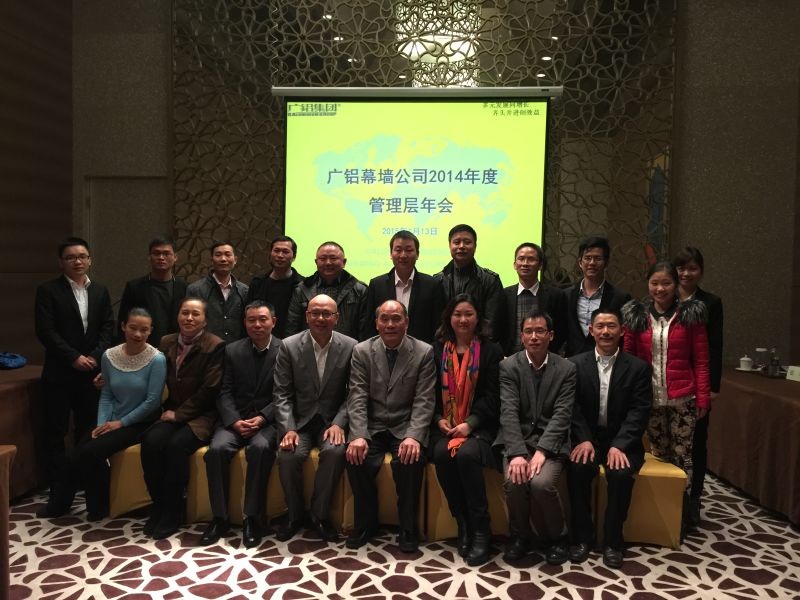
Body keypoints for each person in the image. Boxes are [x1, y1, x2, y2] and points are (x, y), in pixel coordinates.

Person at [40, 308, 166, 520]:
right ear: (123, 326)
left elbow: (152, 402)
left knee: (90, 452)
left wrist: (120, 423)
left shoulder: (157, 359)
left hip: (140, 422)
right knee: (75, 453)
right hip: (111, 418)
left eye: (144, 330)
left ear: (150, 331)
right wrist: (102, 424)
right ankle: (66, 504)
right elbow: (107, 394)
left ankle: (94, 506)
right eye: (133, 328)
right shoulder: (109, 356)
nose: (138, 334)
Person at [622, 261, 710, 533]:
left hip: (683, 399)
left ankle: (682, 512)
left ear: (676, 284)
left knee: (683, 456)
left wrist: (703, 398)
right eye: (655, 283)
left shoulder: (690, 315)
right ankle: (662, 511)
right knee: (659, 456)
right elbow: (629, 359)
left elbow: (702, 360)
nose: (660, 289)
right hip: (650, 400)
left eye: (666, 283)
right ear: (648, 284)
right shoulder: (637, 316)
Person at [344, 300, 436, 552]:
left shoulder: (423, 352)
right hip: (373, 425)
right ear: (376, 323)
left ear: (406, 322)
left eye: (396, 319)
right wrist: (358, 434)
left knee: (410, 461)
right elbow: (357, 396)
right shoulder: (362, 351)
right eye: (384, 318)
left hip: (405, 425)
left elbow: (425, 399)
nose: (390, 324)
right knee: (355, 457)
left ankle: (408, 526)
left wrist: (414, 436)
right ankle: (366, 523)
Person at [35, 236, 115, 515]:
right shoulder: (48, 291)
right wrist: (73, 357)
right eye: (70, 257)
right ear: (61, 262)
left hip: (91, 373)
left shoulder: (101, 291)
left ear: (90, 259)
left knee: (87, 431)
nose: (77, 261)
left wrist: (94, 356)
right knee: (56, 432)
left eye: (82, 256)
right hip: (60, 372)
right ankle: (58, 491)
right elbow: (46, 331)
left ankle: (83, 484)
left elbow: (108, 328)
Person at [567, 308, 651, 568]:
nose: (605, 331)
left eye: (611, 326)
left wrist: (620, 445)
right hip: (587, 439)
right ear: (591, 331)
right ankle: (582, 538)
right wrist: (583, 438)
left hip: (622, 441)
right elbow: (571, 408)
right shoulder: (574, 365)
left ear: (622, 331)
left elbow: (639, 411)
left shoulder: (637, 368)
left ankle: (613, 541)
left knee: (621, 475)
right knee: (578, 469)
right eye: (600, 326)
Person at [273, 294, 357, 542]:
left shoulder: (351, 346)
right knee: (287, 455)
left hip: (331, 421)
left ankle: (319, 515)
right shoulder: (289, 346)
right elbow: (282, 393)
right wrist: (288, 428)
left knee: (335, 452)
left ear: (336, 318)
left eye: (327, 314)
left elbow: (354, 392)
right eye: (315, 313)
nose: (321, 318)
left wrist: (339, 423)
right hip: (299, 422)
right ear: (307, 316)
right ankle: (295, 515)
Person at [198, 301, 282, 548]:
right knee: (216, 450)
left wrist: (264, 417)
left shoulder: (286, 350)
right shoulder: (232, 350)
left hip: (267, 421)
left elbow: (286, 393)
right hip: (234, 420)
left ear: (273, 322)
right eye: (251, 320)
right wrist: (234, 420)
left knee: (261, 449)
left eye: (263, 319)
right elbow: (223, 391)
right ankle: (220, 518)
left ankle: (252, 518)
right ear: (244, 323)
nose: (257, 325)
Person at [140, 297, 225, 539]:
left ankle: (174, 511)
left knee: (176, 446)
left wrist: (179, 415)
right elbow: (148, 369)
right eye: (184, 312)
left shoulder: (215, 345)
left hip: (202, 415)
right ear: (178, 316)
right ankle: (159, 505)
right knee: (151, 441)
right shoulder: (166, 341)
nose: (189, 318)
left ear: (205, 320)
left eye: (195, 314)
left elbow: (210, 389)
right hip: (171, 410)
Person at [496, 310, 574, 565]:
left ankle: (558, 538)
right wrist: (518, 454)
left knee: (541, 483)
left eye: (540, 331)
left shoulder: (566, 368)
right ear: (521, 336)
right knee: (514, 481)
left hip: (550, 442)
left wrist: (542, 451)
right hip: (517, 439)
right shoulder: (509, 366)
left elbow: (562, 415)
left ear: (551, 335)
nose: (534, 337)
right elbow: (508, 412)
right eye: (528, 332)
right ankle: (519, 536)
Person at [430, 294, 502, 566]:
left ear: (478, 318)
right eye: (457, 314)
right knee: (441, 454)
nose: (463, 319)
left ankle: (481, 529)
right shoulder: (437, 350)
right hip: (444, 425)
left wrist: (470, 423)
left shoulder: (491, 350)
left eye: (468, 314)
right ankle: (462, 523)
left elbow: (493, 397)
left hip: (480, 426)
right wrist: (438, 418)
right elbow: (427, 390)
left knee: (466, 455)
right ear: (449, 317)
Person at [673, 246, 723, 526]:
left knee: (696, 444)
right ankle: (671, 499)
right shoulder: (664, 298)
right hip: (669, 382)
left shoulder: (711, 303)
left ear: (700, 271)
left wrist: (711, 388)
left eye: (692, 268)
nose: (686, 273)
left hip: (698, 383)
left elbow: (715, 347)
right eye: (681, 268)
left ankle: (694, 501)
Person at [361, 230, 444, 344]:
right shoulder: (377, 285)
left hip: (422, 351)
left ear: (417, 254)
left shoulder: (432, 285)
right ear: (391, 254)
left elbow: (438, 326)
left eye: (409, 250)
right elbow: (369, 326)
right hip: (383, 351)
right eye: (398, 250)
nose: (403, 255)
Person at [434, 224, 503, 342]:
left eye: (467, 242)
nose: (461, 246)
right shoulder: (438, 280)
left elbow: (491, 324)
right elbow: (436, 321)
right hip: (445, 346)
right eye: (456, 242)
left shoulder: (490, 280)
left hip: (480, 346)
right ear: (450, 245)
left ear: (475, 246)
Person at [285, 241, 367, 340]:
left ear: (344, 262)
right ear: (316, 262)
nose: (328, 263)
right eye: (323, 258)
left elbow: (364, 330)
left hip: (348, 348)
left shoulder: (360, 290)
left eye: (333, 258)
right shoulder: (302, 289)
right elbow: (292, 326)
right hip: (308, 347)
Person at [564, 237, 631, 357]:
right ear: (580, 262)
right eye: (587, 258)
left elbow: (625, 336)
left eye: (598, 258)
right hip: (572, 361)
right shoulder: (566, 296)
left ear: (606, 263)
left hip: (608, 360)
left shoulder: (621, 298)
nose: (592, 263)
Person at [117, 236, 187, 347]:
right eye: (156, 253)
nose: (161, 257)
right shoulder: (135, 287)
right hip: (142, 346)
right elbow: (124, 321)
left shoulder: (184, 287)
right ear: (149, 257)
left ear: (175, 257)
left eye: (166, 254)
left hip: (176, 347)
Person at [501, 242, 567, 356]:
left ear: (540, 265)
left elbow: (561, 330)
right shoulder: (504, 295)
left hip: (545, 358)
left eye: (531, 259)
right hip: (510, 358)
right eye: (521, 259)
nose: (525, 263)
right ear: (515, 265)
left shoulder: (556, 295)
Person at [186, 241, 249, 342]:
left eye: (228, 254)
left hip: (236, 348)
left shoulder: (245, 291)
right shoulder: (195, 290)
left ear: (235, 260)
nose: (223, 259)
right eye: (218, 255)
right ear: (211, 260)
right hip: (205, 348)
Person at [245, 235, 304, 340]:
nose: (280, 255)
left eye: (285, 252)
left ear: (294, 257)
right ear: (270, 254)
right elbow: (248, 314)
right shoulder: (258, 283)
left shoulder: (303, 285)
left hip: (292, 342)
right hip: (260, 341)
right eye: (276, 251)